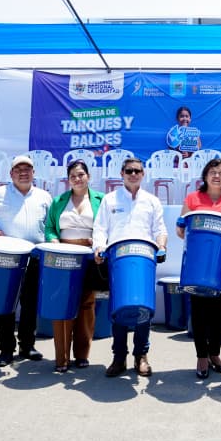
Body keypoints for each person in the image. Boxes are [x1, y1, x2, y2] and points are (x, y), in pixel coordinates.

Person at [92, 157, 168, 378]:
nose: (133, 174)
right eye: (129, 171)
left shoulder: (151, 201)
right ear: (122, 173)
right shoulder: (109, 200)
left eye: (137, 171)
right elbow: (100, 228)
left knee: (143, 308)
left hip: (144, 257)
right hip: (119, 259)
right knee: (119, 308)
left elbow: (159, 229)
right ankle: (119, 357)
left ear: (143, 174)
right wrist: (98, 247)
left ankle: (141, 356)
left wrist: (161, 246)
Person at [0, 155, 52, 367]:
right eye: (18, 169)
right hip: (7, 256)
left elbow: (50, 225)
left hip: (34, 256)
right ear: (11, 174)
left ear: (33, 173)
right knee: (6, 303)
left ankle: (27, 345)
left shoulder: (44, 196)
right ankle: (6, 349)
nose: (23, 172)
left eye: (27, 169)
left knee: (30, 303)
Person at [177, 158, 221, 379]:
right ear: (205, 176)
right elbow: (181, 231)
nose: (216, 176)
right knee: (199, 310)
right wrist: (181, 225)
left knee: (218, 311)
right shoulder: (193, 198)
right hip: (198, 264)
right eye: (212, 172)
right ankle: (201, 357)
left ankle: (215, 353)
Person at [43, 160, 106, 372]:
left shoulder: (101, 200)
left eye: (81, 174)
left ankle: (82, 355)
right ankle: (61, 358)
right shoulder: (59, 200)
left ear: (88, 176)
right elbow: (50, 227)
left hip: (88, 258)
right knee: (61, 304)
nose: (77, 179)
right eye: (73, 176)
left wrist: (99, 244)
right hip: (62, 256)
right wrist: (53, 240)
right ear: (68, 179)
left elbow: (106, 227)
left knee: (86, 305)